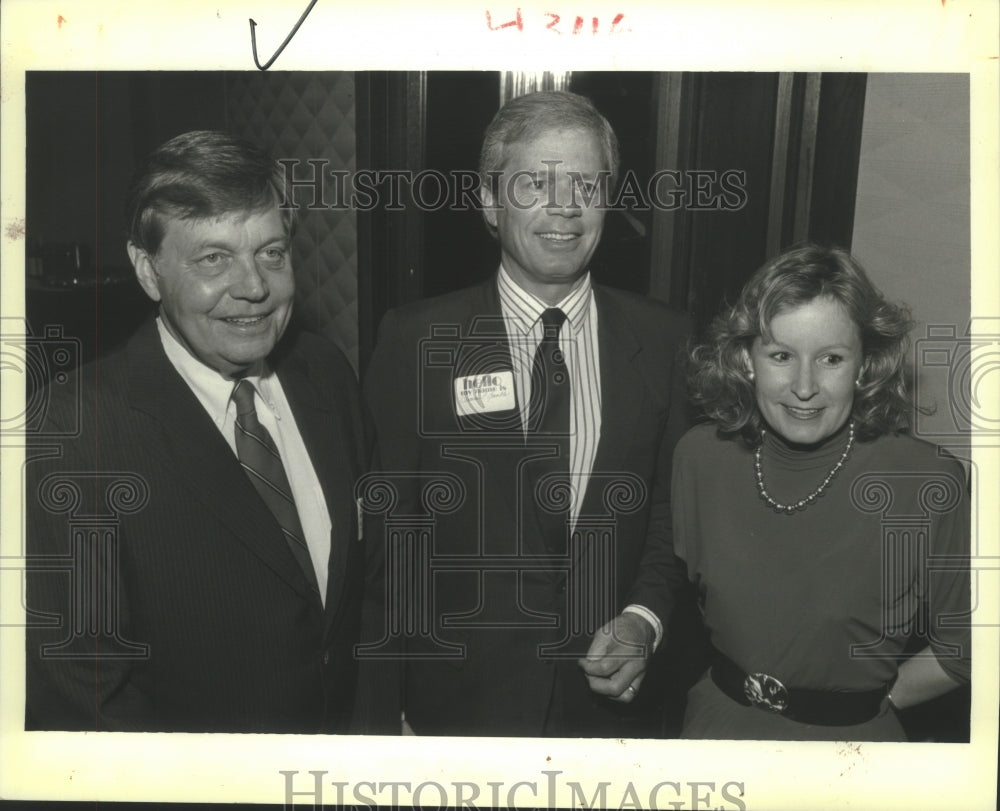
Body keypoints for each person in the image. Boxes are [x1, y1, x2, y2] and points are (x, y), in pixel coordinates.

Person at [359, 91, 694, 737]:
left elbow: (669, 512)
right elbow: (387, 541)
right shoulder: (414, 339)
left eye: (586, 184)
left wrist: (643, 618)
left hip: (612, 714)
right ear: (489, 201)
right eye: (536, 182)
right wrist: (385, 711)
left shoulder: (665, 340)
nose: (564, 206)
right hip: (456, 706)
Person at [25, 131, 368, 733]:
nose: (254, 288)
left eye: (271, 253)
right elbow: (86, 698)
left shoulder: (325, 373)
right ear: (148, 270)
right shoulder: (78, 430)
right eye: (213, 259)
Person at [672, 244, 970, 740]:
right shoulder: (699, 457)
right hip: (715, 730)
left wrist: (869, 705)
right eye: (781, 356)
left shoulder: (925, 480)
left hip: (851, 749)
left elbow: (965, 651)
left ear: (863, 365)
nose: (804, 386)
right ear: (748, 359)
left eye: (831, 358)